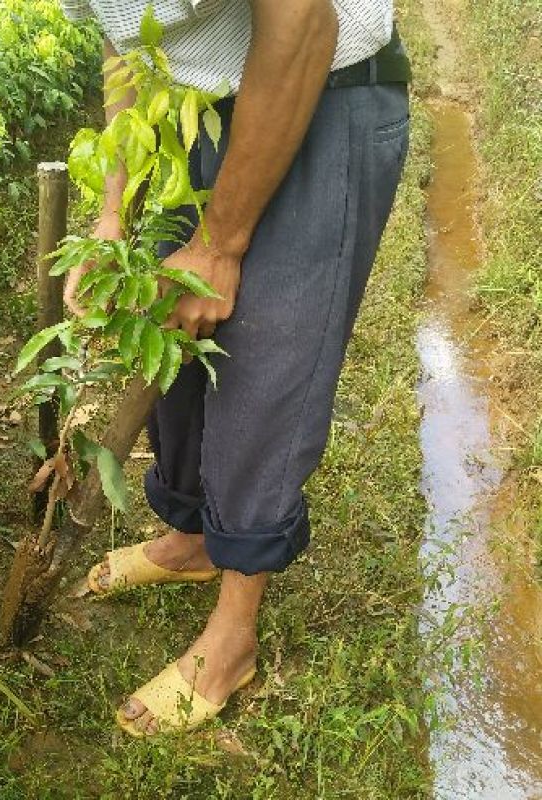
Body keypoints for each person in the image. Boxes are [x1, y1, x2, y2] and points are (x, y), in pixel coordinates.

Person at [60, 0, 412, 736]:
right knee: (177, 336)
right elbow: (124, 42)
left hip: (321, 89)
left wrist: (221, 245)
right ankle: (193, 537)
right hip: (198, 107)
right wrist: (112, 210)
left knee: (266, 360)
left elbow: (302, 21)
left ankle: (234, 635)